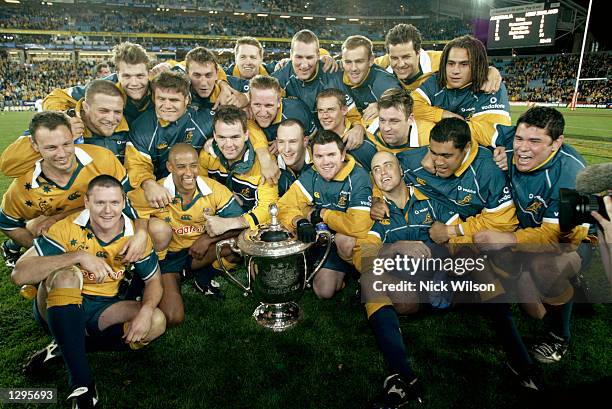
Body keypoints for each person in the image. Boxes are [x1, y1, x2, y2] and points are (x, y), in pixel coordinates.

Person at [12, 175, 165, 408]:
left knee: (157, 321)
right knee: (66, 274)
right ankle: (82, 384)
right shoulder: (66, 228)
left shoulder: (135, 235)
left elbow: (154, 280)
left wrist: (146, 309)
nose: (107, 211)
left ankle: (64, 347)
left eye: (114, 203)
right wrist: (79, 257)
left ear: (123, 202)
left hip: (103, 307)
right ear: (86, 202)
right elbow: (20, 274)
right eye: (99, 203)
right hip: (54, 304)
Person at [474, 107, 591, 363]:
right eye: (519, 139)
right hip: (529, 231)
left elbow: (556, 238)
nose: (522, 149)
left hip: (573, 241)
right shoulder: (509, 143)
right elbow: (474, 127)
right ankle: (566, 290)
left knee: (549, 266)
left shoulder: (570, 176)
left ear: (556, 143)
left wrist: (509, 239)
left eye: (535, 141)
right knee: (519, 284)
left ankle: (559, 336)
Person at [357, 151, 460, 408]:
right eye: (377, 169)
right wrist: (398, 246)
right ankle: (403, 374)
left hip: (443, 282)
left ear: (401, 169)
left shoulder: (430, 198)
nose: (383, 173)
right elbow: (364, 255)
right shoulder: (378, 214)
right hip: (411, 292)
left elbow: (459, 234)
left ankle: (402, 378)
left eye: (388, 165)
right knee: (369, 279)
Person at [0, 112, 144, 268]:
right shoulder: (25, 187)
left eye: (67, 144)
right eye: (51, 147)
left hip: (92, 216)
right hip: (61, 228)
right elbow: (7, 223)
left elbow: (130, 198)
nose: (62, 154)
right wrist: (48, 251)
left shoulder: (103, 159)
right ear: (34, 146)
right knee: (41, 229)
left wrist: (141, 233)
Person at [128, 144, 245, 326]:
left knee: (239, 244)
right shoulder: (156, 192)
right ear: (169, 167)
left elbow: (240, 222)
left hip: (197, 252)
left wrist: (207, 239)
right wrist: (142, 232)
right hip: (169, 258)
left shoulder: (213, 188)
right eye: (181, 167)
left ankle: (203, 276)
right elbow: (127, 210)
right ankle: (151, 280)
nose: (189, 172)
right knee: (174, 317)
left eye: (193, 165)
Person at [278, 130, 372, 299]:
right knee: (324, 292)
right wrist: (299, 220)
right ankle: (328, 270)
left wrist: (323, 213)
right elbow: (284, 205)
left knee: (347, 241)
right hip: (324, 238)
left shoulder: (358, 177)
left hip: (350, 239)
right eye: (319, 156)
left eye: (331, 154)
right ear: (312, 157)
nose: (325, 162)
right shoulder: (312, 175)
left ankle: (360, 274)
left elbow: (359, 226)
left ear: (342, 154)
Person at [1, 79, 129, 177]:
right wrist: (60, 136)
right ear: (85, 107)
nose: (112, 118)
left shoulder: (127, 128)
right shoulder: (61, 124)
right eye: (103, 111)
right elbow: (9, 166)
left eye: (117, 111)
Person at [124, 71, 215, 208]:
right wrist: (149, 184)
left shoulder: (204, 120)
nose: (167, 106)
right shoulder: (142, 127)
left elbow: (239, 123)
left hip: (198, 186)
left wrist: (218, 138)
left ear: (186, 100)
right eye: (161, 99)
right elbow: (136, 165)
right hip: (161, 191)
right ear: (154, 98)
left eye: (174, 100)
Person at [272, 29, 366, 152]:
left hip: (330, 142)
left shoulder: (332, 75)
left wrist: (359, 127)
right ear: (290, 55)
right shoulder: (281, 78)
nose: (304, 65)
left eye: (309, 57)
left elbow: (353, 114)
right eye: (299, 57)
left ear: (318, 54)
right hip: (299, 144)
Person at [411, 35, 511, 146]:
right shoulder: (436, 81)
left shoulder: (491, 85)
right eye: (451, 63)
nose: (455, 71)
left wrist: (453, 124)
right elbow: (410, 107)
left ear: (477, 65)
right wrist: (444, 115)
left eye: (464, 64)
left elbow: (493, 134)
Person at [44, 42, 154, 126]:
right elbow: (55, 97)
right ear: (117, 74)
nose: (134, 83)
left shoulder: (158, 86)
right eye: (127, 76)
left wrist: (169, 64)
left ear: (148, 73)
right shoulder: (103, 87)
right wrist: (62, 120)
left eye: (140, 76)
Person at [374, 23, 501, 94]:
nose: (400, 64)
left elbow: (469, 65)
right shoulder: (383, 63)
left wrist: (490, 71)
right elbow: (358, 66)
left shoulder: (441, 61)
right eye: (395, 58)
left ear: (418, 52)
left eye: (406, 57)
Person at [340, 35, 402, 121]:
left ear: (371, 60)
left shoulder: (383, 83)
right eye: (348, 62)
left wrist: (383, 106)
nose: (353, 68)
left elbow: (404, 103)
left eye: (359, 61)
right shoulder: (337, 72)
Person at [248, 75, 316, 151]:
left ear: (279, 102)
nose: (263, 112)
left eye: (269, 105)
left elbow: (312, 138)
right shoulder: (245, 113)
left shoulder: (297, 114)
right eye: (257, 105)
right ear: (250, 102)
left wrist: (285, 142)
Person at [276, 119, 312, 197]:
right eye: (281, 142)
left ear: (305, 141)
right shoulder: (270, 167)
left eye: (292, 142)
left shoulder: (321, 162)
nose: (287, 149)